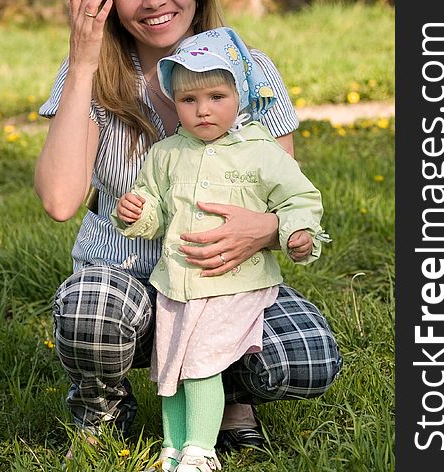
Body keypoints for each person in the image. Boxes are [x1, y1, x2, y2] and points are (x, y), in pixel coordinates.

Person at [34, 0, 342, 461]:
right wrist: (82, 61)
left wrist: (271, 228)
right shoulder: (93, 78)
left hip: (224, 283)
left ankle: (232, 400)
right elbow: (60, 201)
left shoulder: (251, 74)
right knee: (90, 309)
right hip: (124, 279)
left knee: (307, 356)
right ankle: (101, 401)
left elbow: (285, 192)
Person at [112, 26, 332, 472]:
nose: (203, 110)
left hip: (233, 283)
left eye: (215, 97)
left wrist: (295, 234)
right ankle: (172, 449)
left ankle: (201, 450)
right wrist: (136, 213)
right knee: (171, 372)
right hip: (177, 283)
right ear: (175, 104)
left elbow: (300, 199)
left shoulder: (260, 152)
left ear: (240, 95)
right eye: (189, 101)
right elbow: (155, 213)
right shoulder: (167, 153)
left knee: (201, 365)